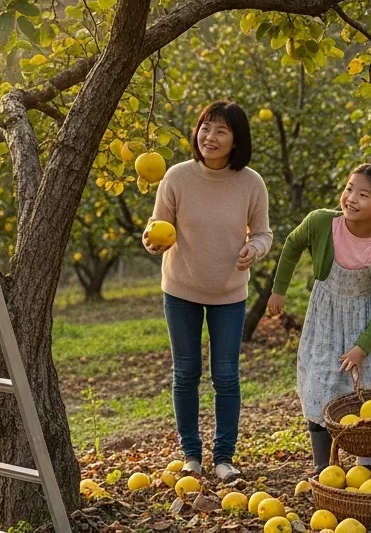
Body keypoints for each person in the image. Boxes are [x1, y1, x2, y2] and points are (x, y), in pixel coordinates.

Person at [144, 101, 272, 482]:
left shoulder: (251, 182)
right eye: (204, 127)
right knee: (185, 372)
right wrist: (151, 240)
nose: (209, 137)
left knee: (226, 375)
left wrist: (255, 248)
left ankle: (224, 457)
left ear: (236, 140)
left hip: (229, 292)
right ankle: (191, 455)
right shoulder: (177, 177)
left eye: (220, 131)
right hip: (181, 289)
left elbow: (263, 232)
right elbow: (158, 225)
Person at [270, 163, 371, 474]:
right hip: (324, 324)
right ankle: (323, 468)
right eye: (348, 189)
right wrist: (278, 291)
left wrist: (362, 348)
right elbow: (291, 246)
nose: (351, 198)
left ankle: (366, 467)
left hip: (364, 330)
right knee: (320, 386)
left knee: (365, 395)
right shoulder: (321, 223)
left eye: (363, 194)